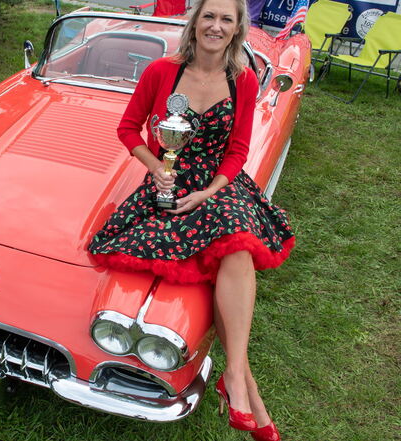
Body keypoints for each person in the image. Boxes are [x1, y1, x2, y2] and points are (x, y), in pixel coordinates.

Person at [88, 0, 293, 440]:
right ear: (194, 21)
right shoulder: (161, 72)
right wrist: (155, 166)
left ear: (237, 28)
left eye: (226, 19)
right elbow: (128, 128)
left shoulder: (243, 80)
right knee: (225, 252)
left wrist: (210, 191)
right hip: (168, 184)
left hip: (217, 186)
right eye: (208, 16)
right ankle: (245, 389)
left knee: (236, 241)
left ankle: (235, 378)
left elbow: (238, 150)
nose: (215, 26)